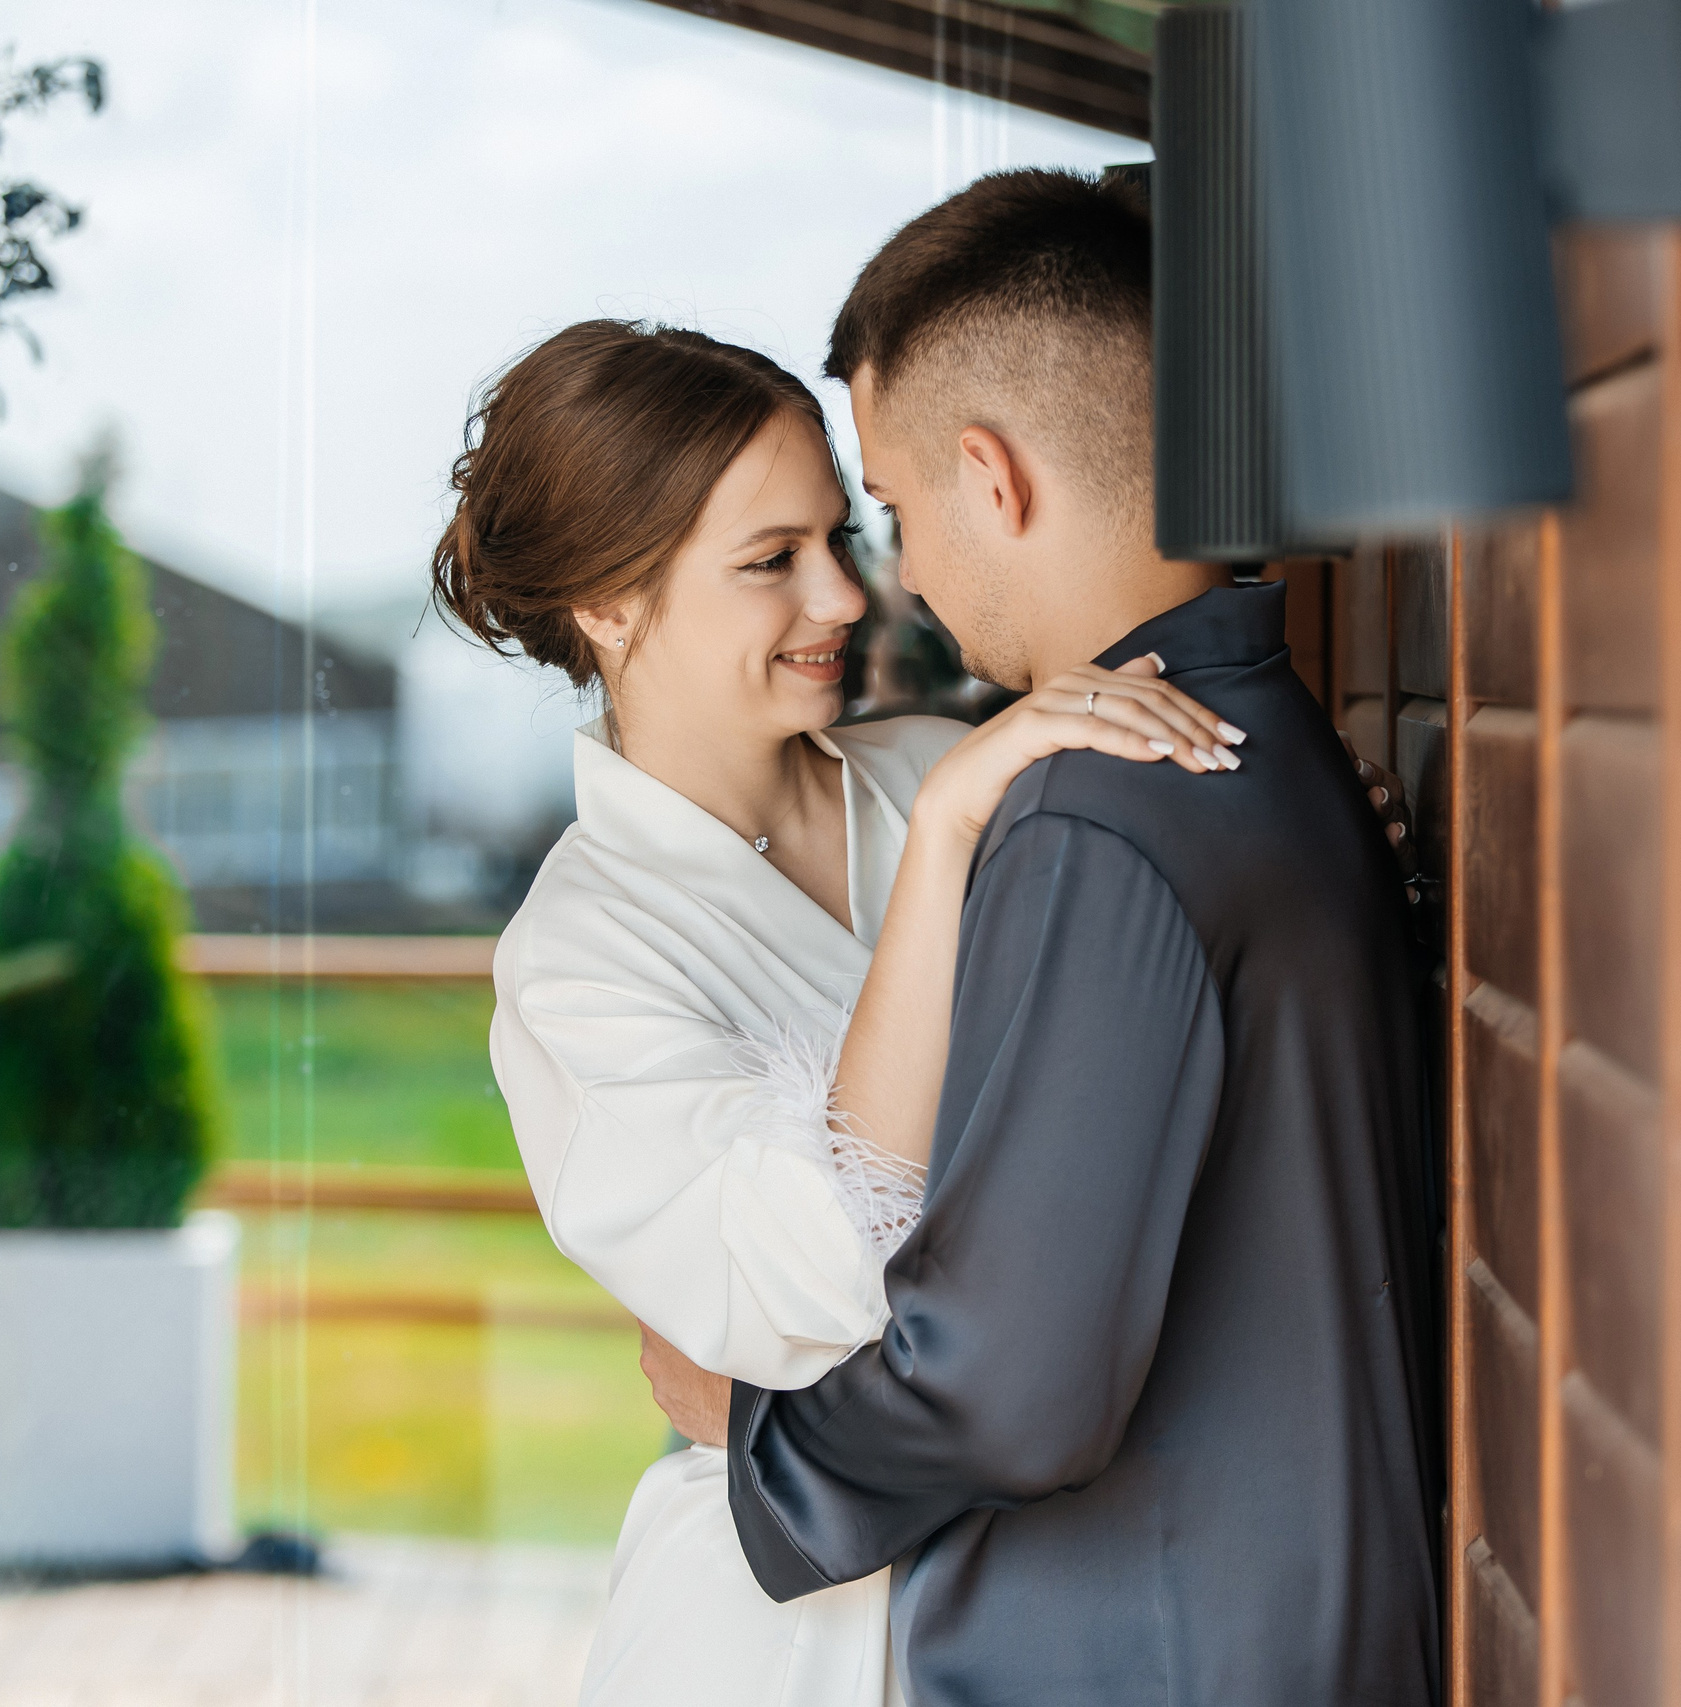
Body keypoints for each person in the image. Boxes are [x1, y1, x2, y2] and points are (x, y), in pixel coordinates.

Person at [638, 170, 1445, 1706]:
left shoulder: (1099, 813)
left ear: (989, 475)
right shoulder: (1266, 736)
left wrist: (760, 1436)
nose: (901, 576)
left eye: (890, 511)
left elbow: (1013, 1386)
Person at [434, 319, 1253, 1706]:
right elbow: (811, 1282)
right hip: (782, 1639)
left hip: (1078, 1584)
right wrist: (938, 849)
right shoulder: (578, 962)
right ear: (608, 606)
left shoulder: (946, 759)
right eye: (772, 563)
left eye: (842, 536)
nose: (846, 598)